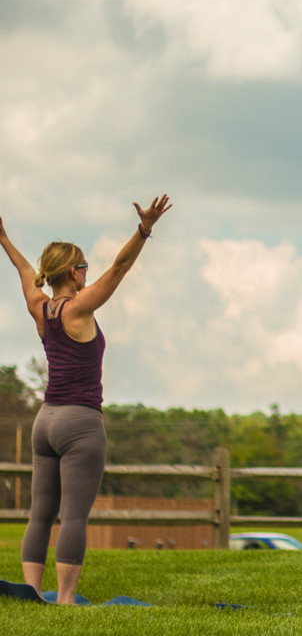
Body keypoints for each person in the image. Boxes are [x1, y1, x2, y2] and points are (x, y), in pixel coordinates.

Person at [0, 195, 171, 604]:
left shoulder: (40, 306)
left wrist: (3, 237)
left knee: (40, 514)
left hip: (45, 422)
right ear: (75, 272)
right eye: (84, 268)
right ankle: (64, 601)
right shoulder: (80, 308)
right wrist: (144, 230)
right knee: (74, 515)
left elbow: (25, 269)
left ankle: (31, 594)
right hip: (80, 423)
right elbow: (122, 267)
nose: (88, 273)